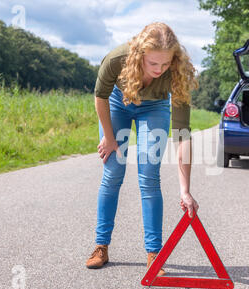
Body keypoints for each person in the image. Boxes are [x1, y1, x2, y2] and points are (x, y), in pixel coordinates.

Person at [86, 22, 200, 275]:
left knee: (149, 175)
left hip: (154, 107)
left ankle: (154, 255)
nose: (160, 70)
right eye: (153, 64)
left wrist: (185, 191)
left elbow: (182, 134)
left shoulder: (178, 72)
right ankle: (101, 246)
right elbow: (100, 96)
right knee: (113, 172)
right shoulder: (117, 58)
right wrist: (109, 137)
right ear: (140, 55)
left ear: (174, 59)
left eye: (165, 64)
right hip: (118, 102)